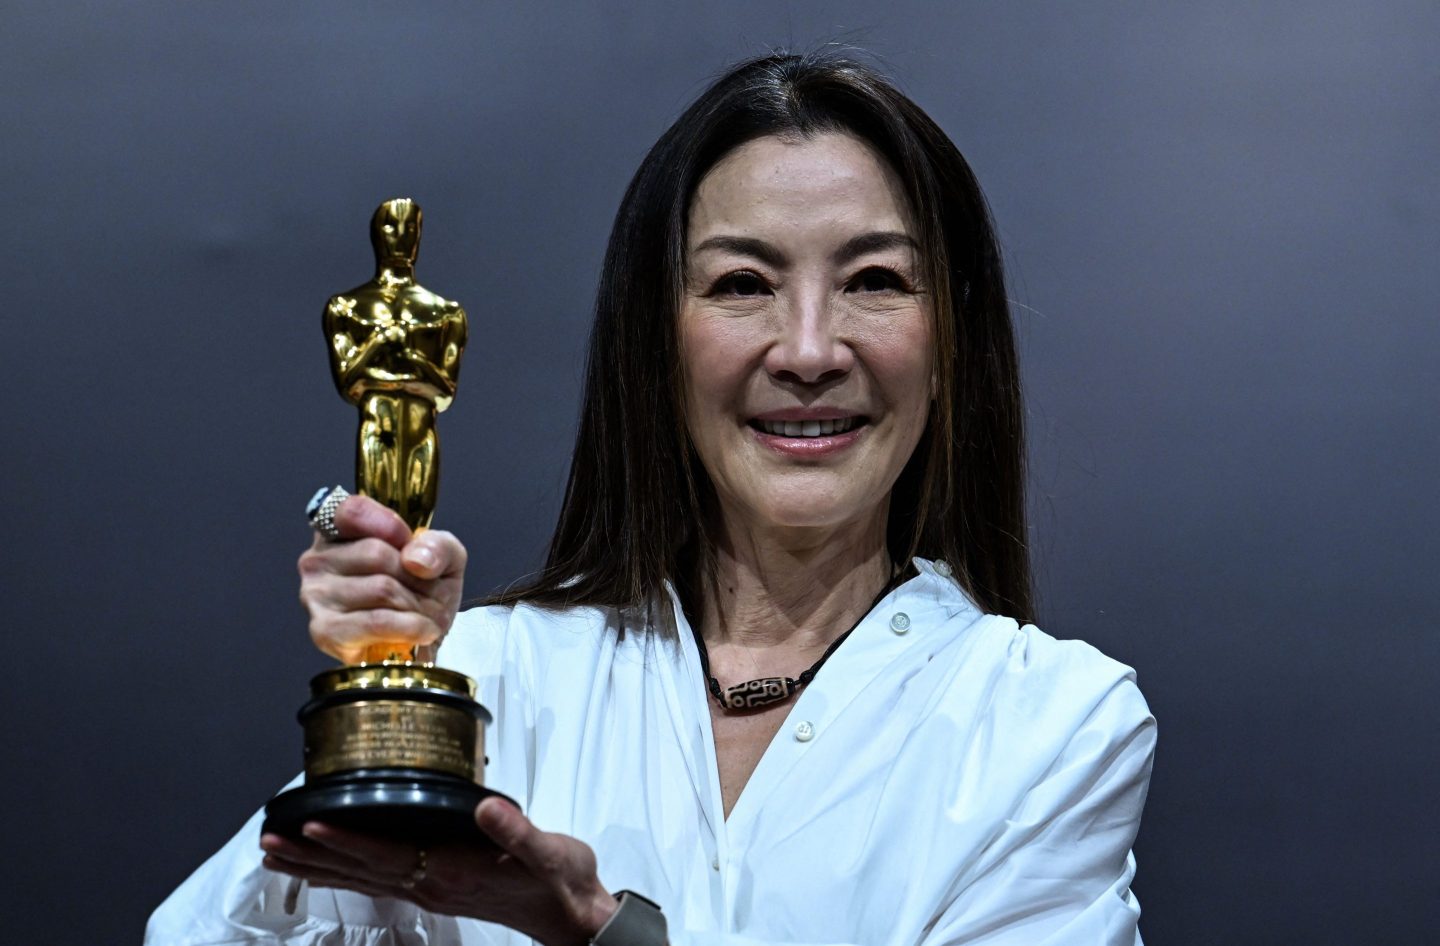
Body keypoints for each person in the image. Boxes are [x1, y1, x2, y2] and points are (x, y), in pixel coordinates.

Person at [147, 50, 1155, 946]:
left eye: (876, 279)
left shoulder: (1050, 725)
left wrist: (601, 933)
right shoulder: (495, 677)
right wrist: (388, 675)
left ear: (951, 345)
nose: (808, 349)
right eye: (742, 284)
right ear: (657, 343)